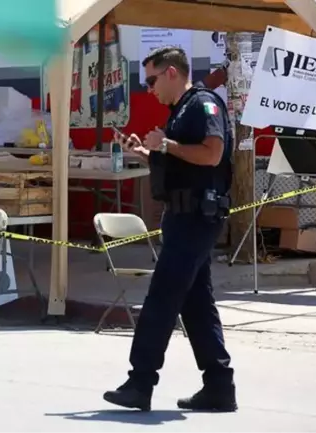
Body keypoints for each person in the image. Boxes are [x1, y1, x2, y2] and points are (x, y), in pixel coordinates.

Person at [103, 46, 237, 412]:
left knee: (162, 298)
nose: (149, 89)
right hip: (184, 216)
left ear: (172, 73)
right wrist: (143, 153)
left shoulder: (203, 104)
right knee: (196, 303)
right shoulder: (179, 113)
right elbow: (178, 161)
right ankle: (219, 386)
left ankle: (140, 381)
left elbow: (211, 153)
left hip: (196, 216)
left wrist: (167, 143)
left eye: (151, 80)